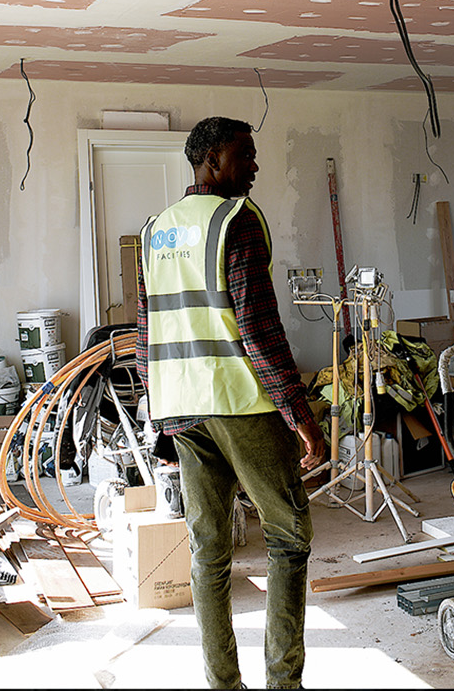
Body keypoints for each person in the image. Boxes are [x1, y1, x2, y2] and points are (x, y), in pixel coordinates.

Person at [135, 116, 325, 690]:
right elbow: (259, 329)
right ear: (212, 159)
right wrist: (301, 415)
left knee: (208, 549)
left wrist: (158, 417)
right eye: (246, 154)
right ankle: (283, 683)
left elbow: (146, 332)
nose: (255, 165)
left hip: (181, 407)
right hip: (240, 401)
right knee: (288, 535)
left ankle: (223, 683)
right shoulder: (236, 221)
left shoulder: (155, 229)